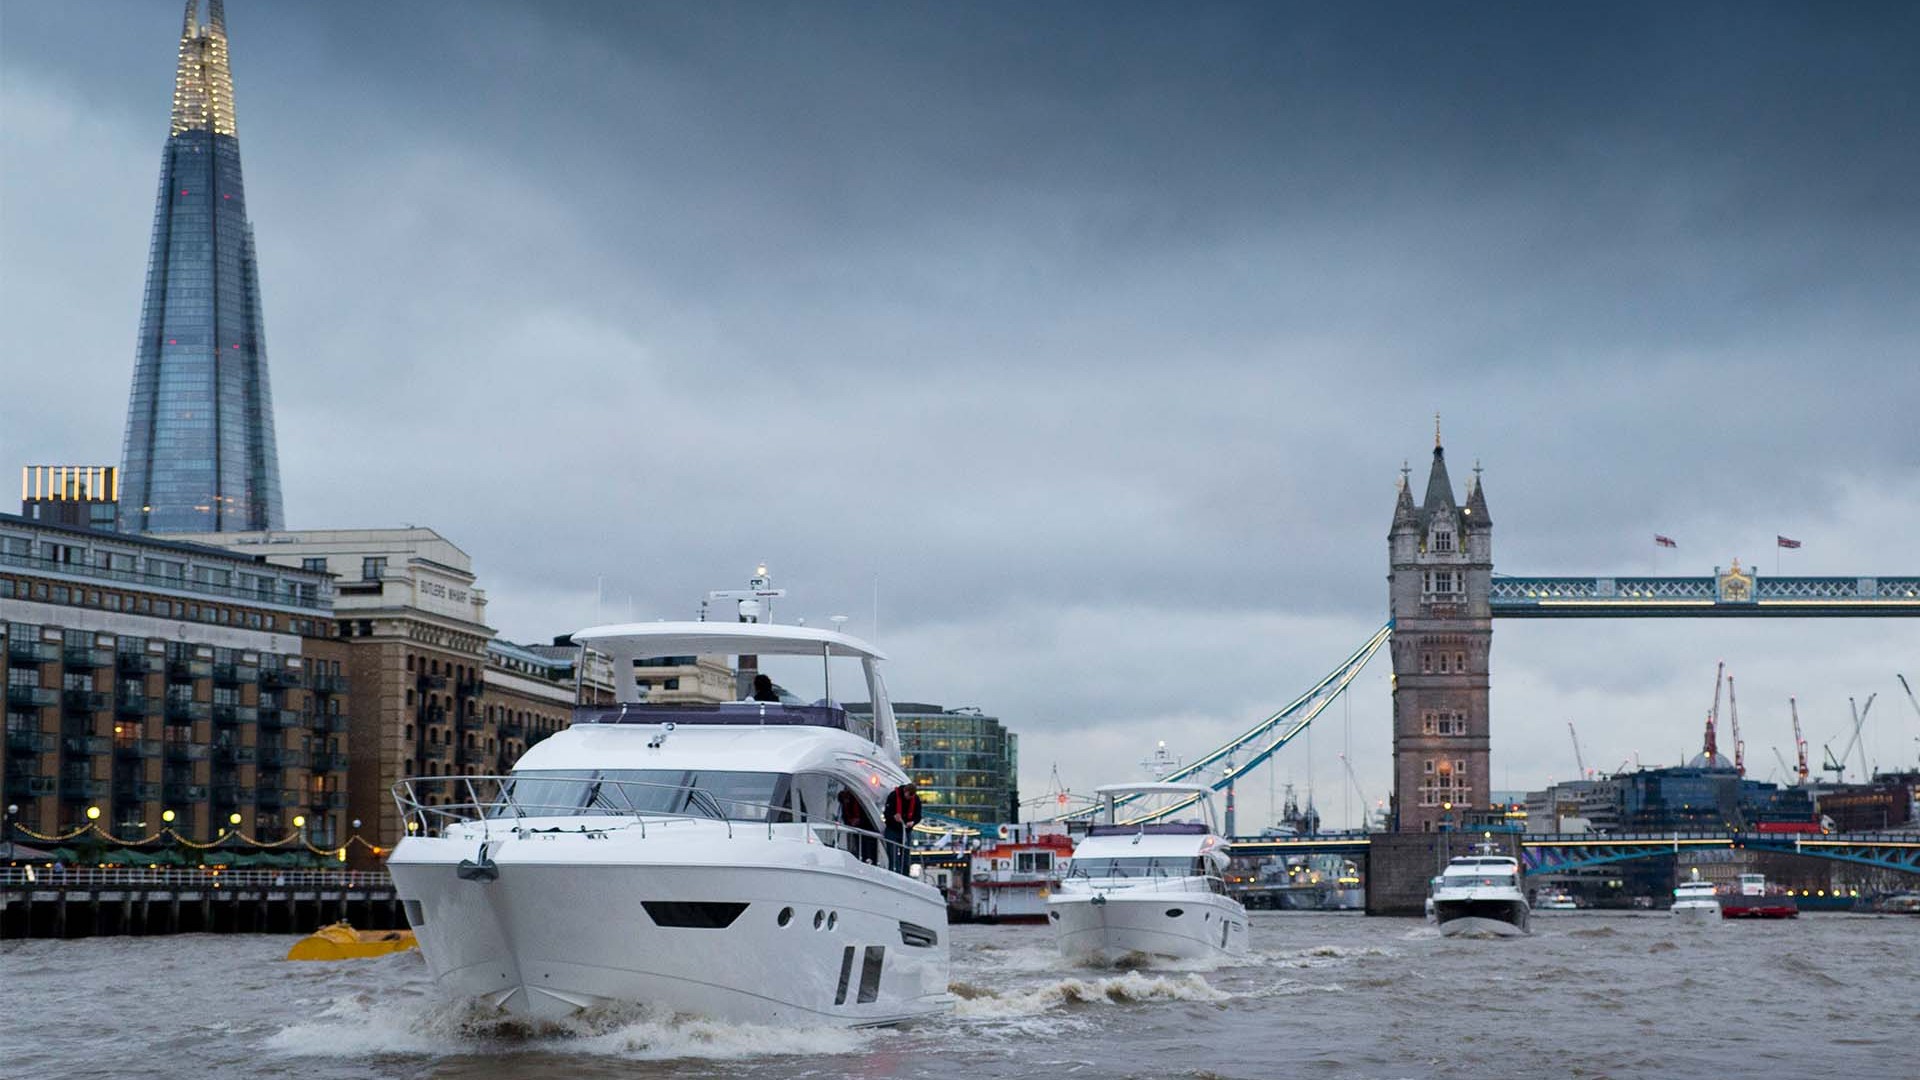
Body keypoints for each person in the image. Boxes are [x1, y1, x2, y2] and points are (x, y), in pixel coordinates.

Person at [883, 781, 922, 874]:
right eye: (908, 796)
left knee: (906, 857)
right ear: (905, 791)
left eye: (911, 797)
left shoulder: (916, 799)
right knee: (893, 856)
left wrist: (913, 822)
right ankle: (893, 874)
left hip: (906, 832)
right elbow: (886, 813)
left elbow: (918, 816)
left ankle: (905, 875)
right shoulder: (893, 796)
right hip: (892, 830)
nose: (909, 798)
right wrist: (893, 817)